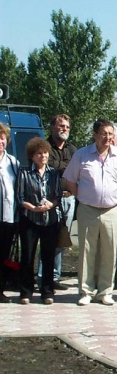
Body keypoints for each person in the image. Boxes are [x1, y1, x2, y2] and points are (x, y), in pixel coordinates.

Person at [64, 119, 117, 306]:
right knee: (87, 251)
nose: (107, 138)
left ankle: (105, 291)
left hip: (112, 210)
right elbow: (70, 180)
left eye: (111, 134)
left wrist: (110, 196)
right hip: (87, 209)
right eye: (104, 134)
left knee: (109, 251)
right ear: (95, 135)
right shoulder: (82, 155)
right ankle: (86, 291)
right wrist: (84, 197)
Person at [16, 138, 62, 305]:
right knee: (28, 256)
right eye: (39, 153)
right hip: (30, 219)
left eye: (45, 153)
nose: (43, 156)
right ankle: (26, 292)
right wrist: (33, 208)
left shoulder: (53, 173)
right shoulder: (24, 172)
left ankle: (47, 291)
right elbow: (20, 197)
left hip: (50, 220)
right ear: (32, 155)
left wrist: (51, 204)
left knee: (48, 256)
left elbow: (58, 195)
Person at [38, 114, 76, 292]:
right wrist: (66, 166)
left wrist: (62, 165)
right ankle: (42, 277)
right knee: (48, 239)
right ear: (52, 127)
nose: (64, 129)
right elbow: (50, 165)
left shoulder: (72, 149)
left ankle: (54, 277)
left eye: (67, 127)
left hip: (69, 198)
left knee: (62, 239)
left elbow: (77, 169)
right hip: (51, 199)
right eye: (61, 126)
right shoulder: (44, 147)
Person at [0, 123, 20, 303]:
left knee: (4, 254)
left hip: (8, 217)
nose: (0, 142)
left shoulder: (13, 163)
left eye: (2, 138)